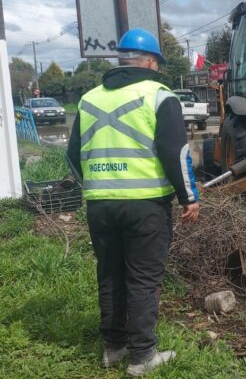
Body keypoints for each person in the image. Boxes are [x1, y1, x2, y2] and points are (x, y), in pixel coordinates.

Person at [66, 27, 200, 377]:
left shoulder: (89, 98)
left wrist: (98, 184)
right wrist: (188, 196)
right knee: (142, 278)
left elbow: (72, 155)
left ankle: (113, 348)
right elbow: (176, 153)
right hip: (145, 206)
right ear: (151, 62)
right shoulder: (159, 94)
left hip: (100, 204)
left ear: (121, 60)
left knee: (109, 273)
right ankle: (142, 356)